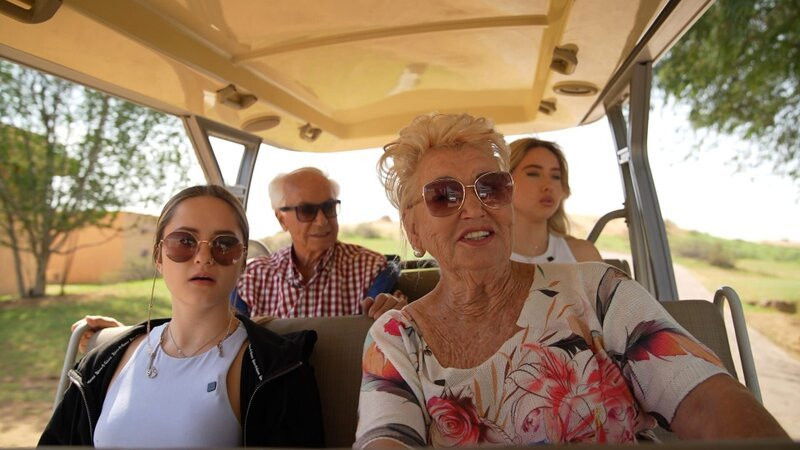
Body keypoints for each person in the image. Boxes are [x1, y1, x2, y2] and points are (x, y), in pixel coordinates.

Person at [354, 113, 787, 447]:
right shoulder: (396, 339)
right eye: (444, 196)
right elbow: (386, 438)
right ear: (413, 230)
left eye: (491, 188)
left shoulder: (598, 291)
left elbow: (701, 395)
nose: (474, 208)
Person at [41, 185, 324, 447]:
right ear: (159, 257)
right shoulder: (102, 363)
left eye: (224, 244)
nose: (204, 257)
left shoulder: (279, 370)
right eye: (184, 241)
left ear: (242, 262)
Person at [236, 167, 406, 318]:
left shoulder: (370, 268)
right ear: (282, 219)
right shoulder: (253, 277)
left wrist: (395, 312)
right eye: (306, 210)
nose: (322, 221)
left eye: (329, 207)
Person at [509, 137, 602, 263]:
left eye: (556, 176)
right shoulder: (483, 255)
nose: (548, 186)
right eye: (533, 174)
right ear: (504, 182)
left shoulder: (583, 256)